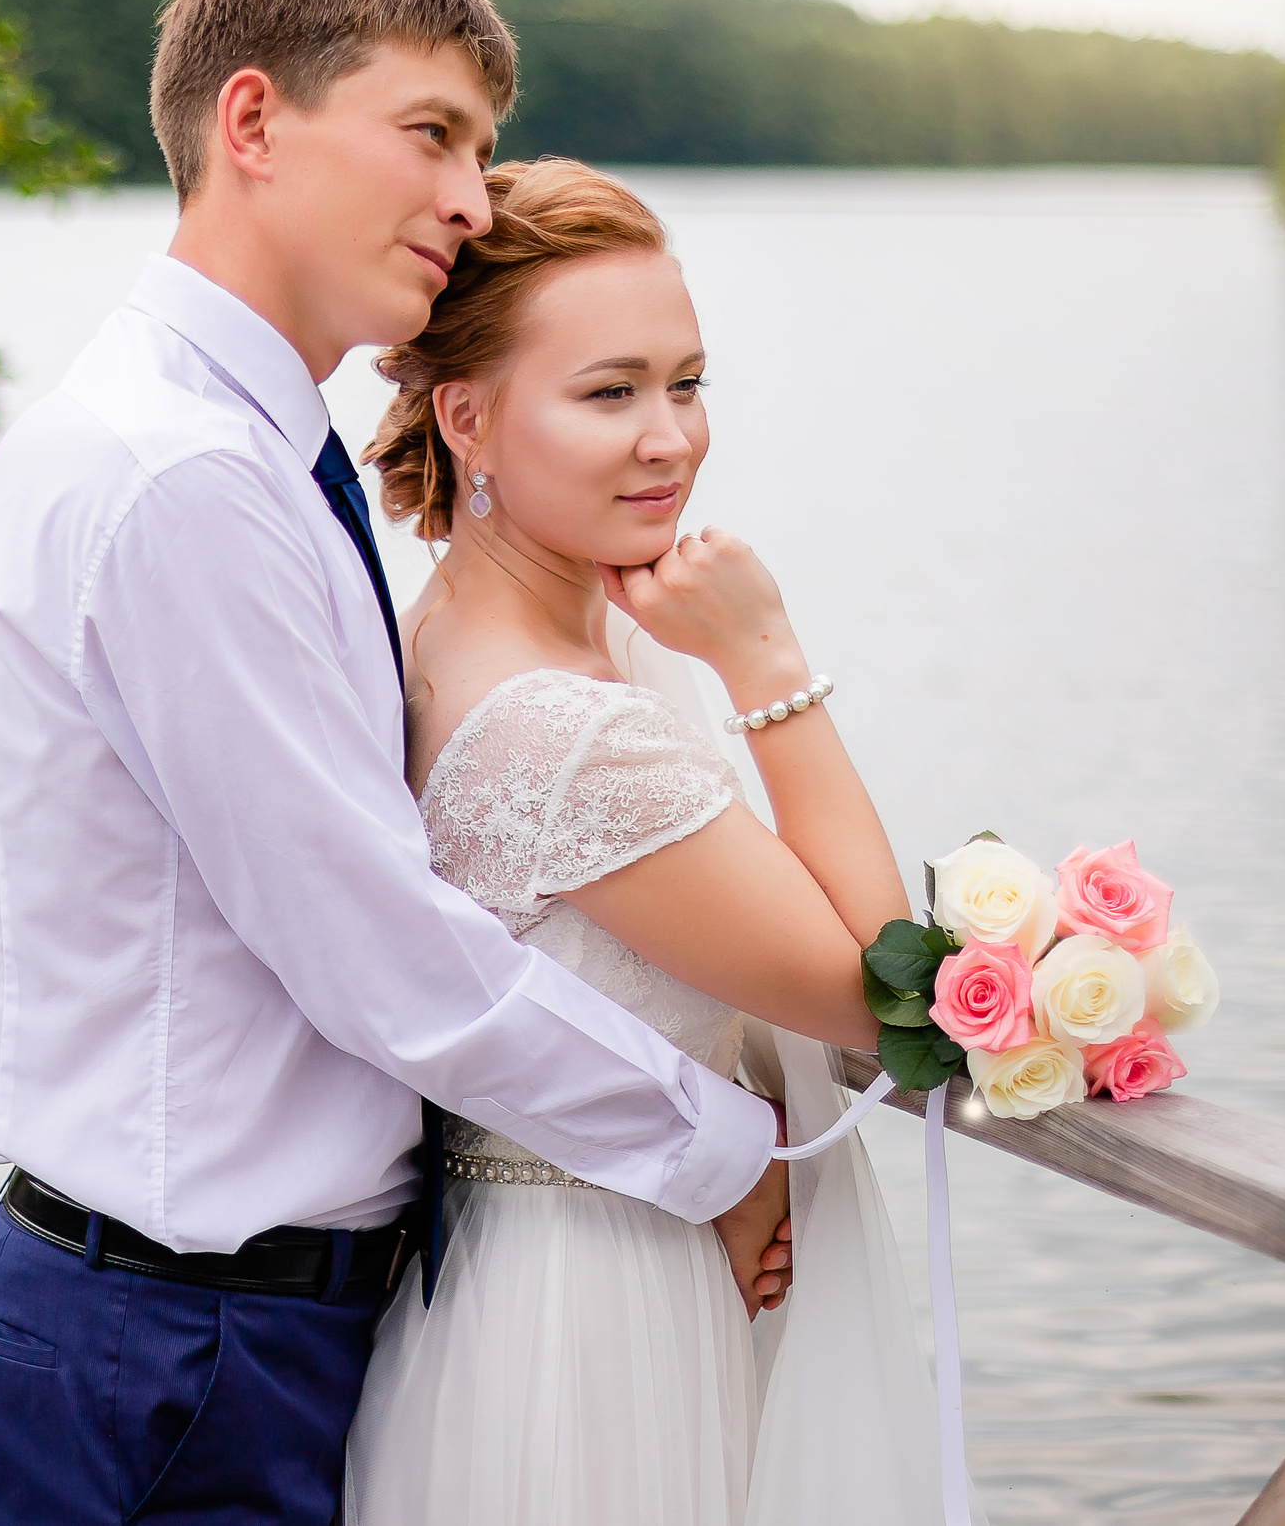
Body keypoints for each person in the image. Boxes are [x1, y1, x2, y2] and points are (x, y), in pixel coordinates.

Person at [0, 0, 796, 1525]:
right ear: (254, 123)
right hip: (182, 1340)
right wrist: (715, 1153)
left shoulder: (230, 442)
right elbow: (368, 941)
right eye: (432, 135)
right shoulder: (181, 478)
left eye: (481, 148)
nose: (472, 199)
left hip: (224, 1321)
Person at [343, 159, 952, 1526]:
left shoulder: (452, 633)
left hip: (525, 1265)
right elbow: (882, 994)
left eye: (687, 383)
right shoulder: (559, 730)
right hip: (597, 1313)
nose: (671, 438)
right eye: (610, 393)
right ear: (468, 417)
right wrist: (767, 661)